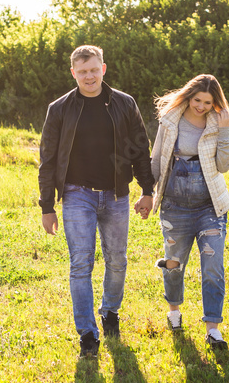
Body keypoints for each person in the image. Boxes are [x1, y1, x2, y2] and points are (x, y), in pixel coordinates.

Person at [38, 45, 155, 358]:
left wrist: (148, 189)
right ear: (73, 73)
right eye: (82, 71)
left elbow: (140, 149)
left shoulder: (125, 104)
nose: (89, 76)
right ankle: (87, 334)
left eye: (94, 70)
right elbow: (47, 160)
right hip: (77, 195)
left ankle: (110, 312)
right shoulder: (59, 108)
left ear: (103, 69)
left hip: (117, 194)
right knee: (81, 262)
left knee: (117, 260)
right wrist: (47, 206)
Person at [150, 74, 229, 349]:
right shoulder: (170, 118)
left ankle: (213, 329)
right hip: (175, 206)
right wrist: (147, 193)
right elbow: (158, 157)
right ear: (188, 96)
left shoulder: (217, 122)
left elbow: (224, 165)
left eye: (208, 102)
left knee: (213, 267)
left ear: (215, 102)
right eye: (197, 100)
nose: (201, 106)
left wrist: (225, 130)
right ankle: (174, 312)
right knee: (173, 265)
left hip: (210, 206)